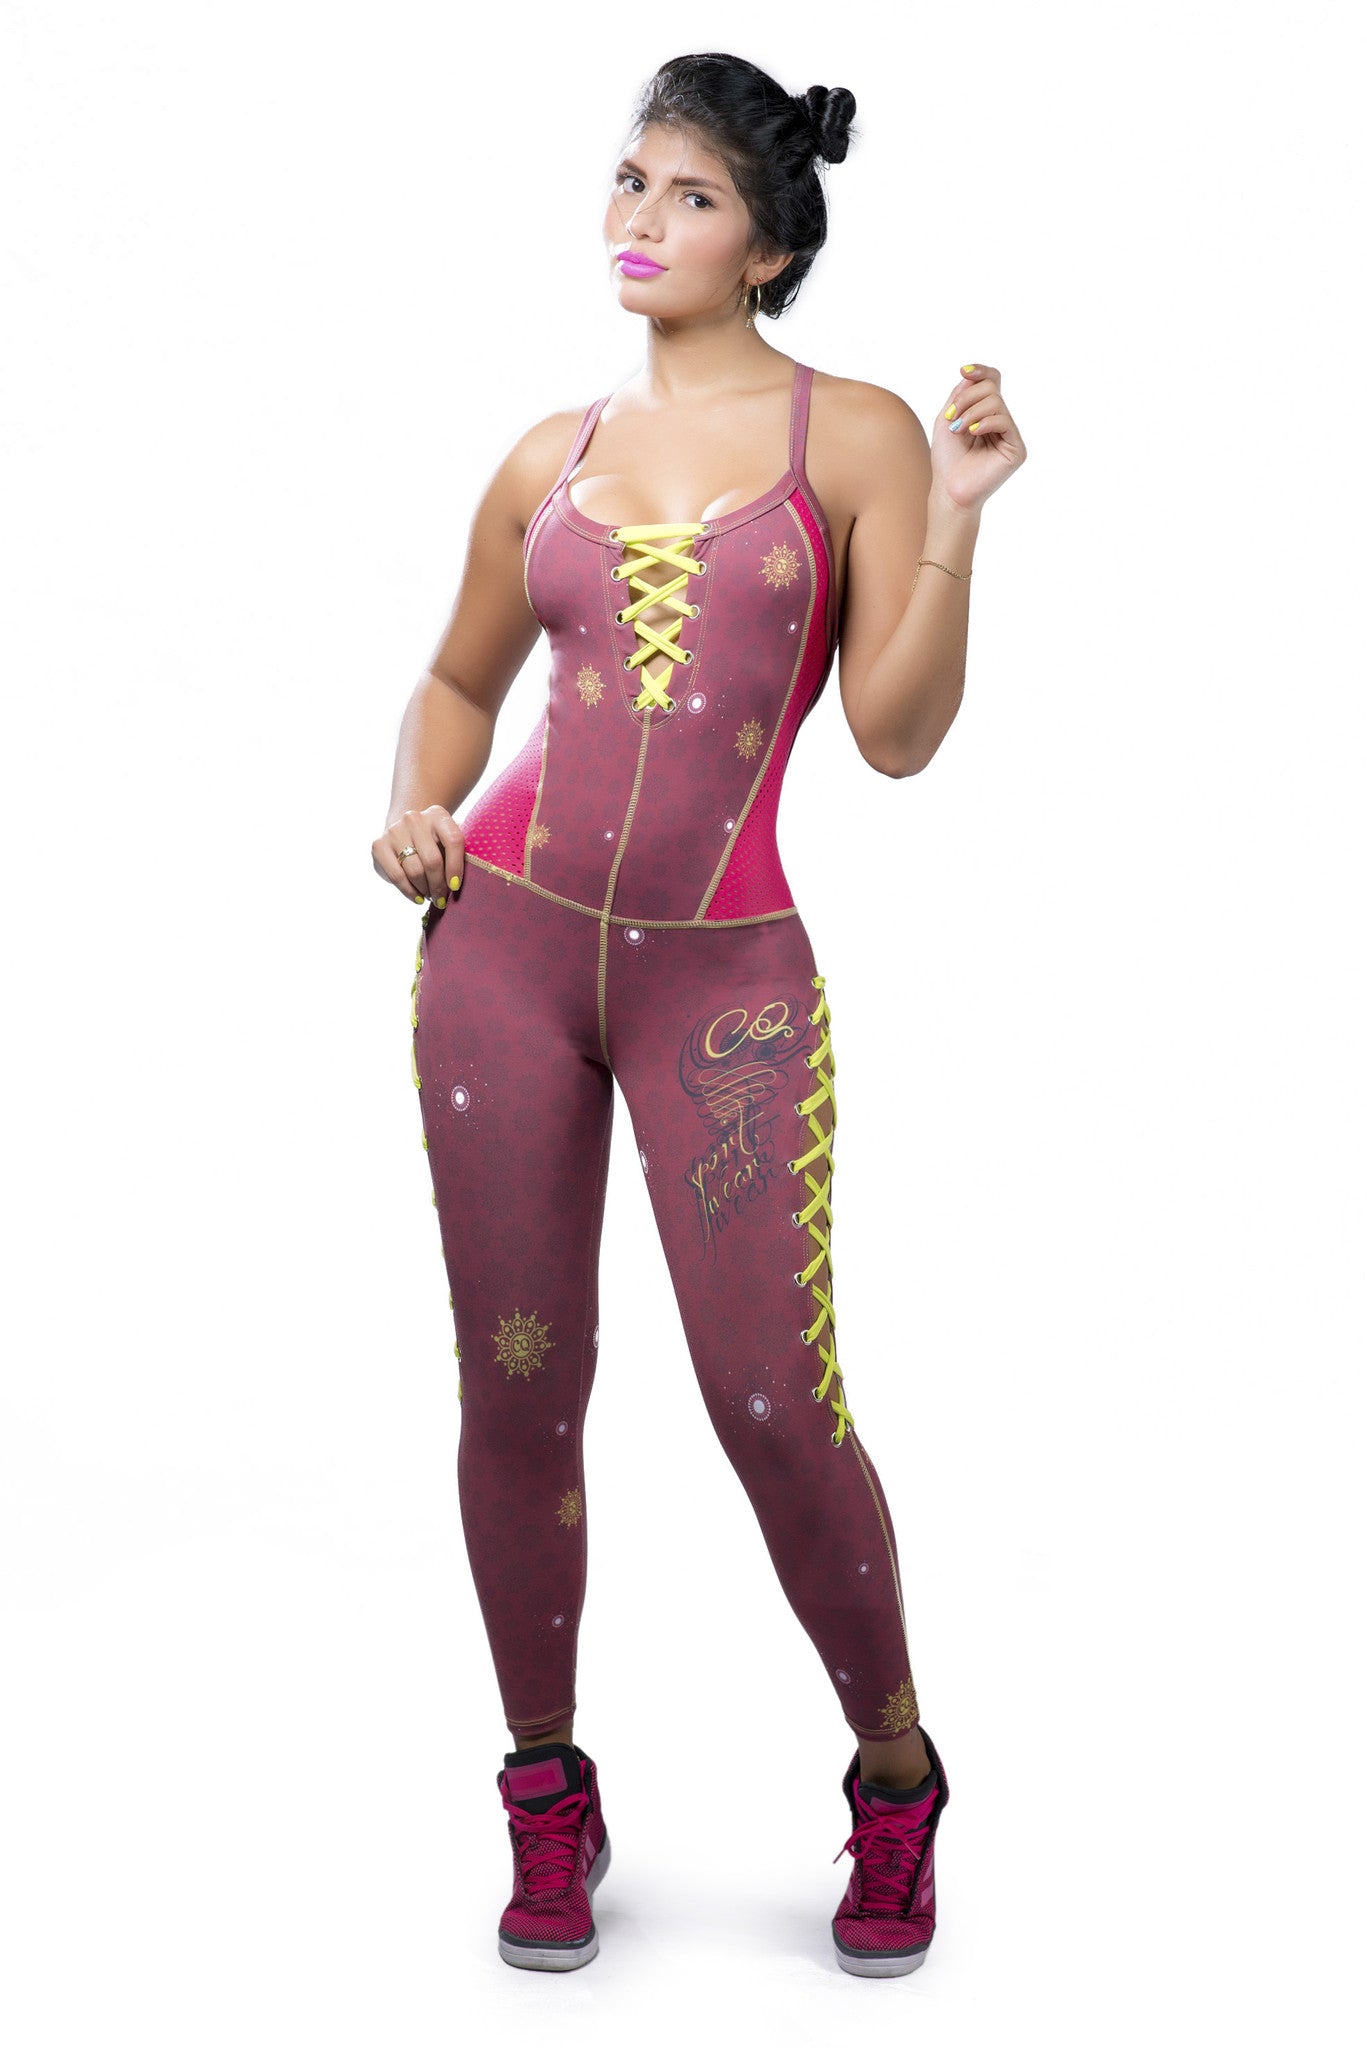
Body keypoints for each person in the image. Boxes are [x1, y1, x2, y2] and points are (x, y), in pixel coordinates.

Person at [374, 50, 1027, 1977]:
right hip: (495, 955)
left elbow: (895, 736)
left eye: (692, 196)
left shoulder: (864, 438)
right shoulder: (546, 456)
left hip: (722, 986)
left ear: (770, 247)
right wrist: (416, 805)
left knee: (773, 1402)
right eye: (629, 179)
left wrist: (961, 519)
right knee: (518, 1385)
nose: (639, 220)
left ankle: (895, 1777)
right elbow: (457, 683)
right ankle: (545, 1790)